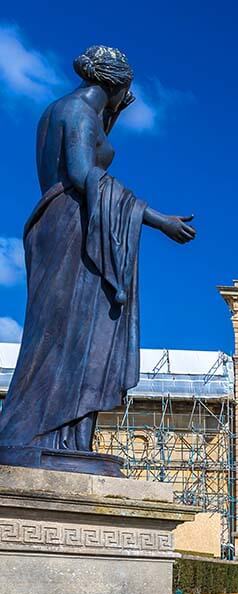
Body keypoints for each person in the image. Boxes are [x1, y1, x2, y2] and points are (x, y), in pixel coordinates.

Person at [0, 45, 195, 472]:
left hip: (71, 224)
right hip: (74, 228)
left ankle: (68, 439)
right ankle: (33, 433)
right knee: (67, 332)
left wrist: (112, 114)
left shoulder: (62, 109)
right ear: (118, 84)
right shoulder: (77, 111)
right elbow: (83, 173)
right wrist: (159, 220)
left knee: (83, 334)